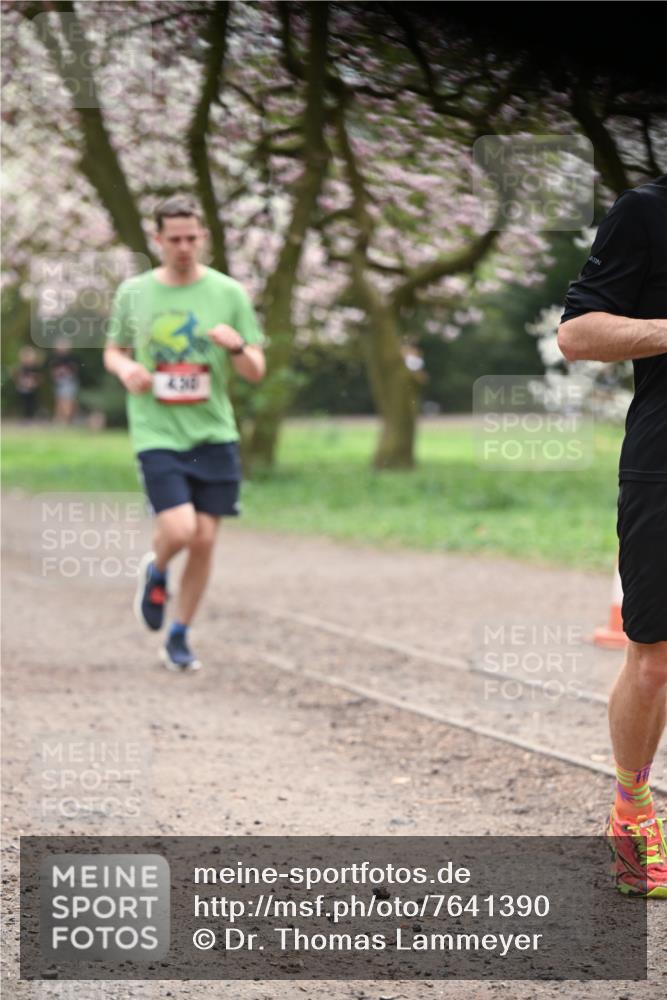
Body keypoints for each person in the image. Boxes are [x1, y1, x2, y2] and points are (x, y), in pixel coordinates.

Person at [558, 174, 667, 897]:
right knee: (655, 661)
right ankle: (631, 806)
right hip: (664, 464)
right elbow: (576, 333)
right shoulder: (646, 212)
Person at [104, 195, 266, 671]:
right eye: (173, 239)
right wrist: (126, 368)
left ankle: (179, 634)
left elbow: (255, 369)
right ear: (158, 240)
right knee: (180, 528)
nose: (183, 247)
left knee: (205, 540)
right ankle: (155, 572)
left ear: (203, 237)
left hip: (213, 432)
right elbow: (113, 350)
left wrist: (236, 346)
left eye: (192, 237)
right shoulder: (134, 293)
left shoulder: (228, 293)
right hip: (157, 431)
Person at [49, 337, 80, 424]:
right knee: (59, 401)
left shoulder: (72, 358)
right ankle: (60, 419)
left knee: (69, 401)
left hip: (69, 382)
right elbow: (52, 372)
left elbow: (75, 369)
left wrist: (66, 371)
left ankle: (68, 420)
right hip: (59, 383)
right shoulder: (54, 359)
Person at [13, 345, 43, 421]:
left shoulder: (36, 367)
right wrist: (22, 383)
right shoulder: (21, 367)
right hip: (23, 389)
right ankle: (25, 418)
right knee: (24, 403)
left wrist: (34, 383)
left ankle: (32, 417)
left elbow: (40, 378)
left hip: (33, 389)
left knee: (33, 403)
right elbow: (17, 377)